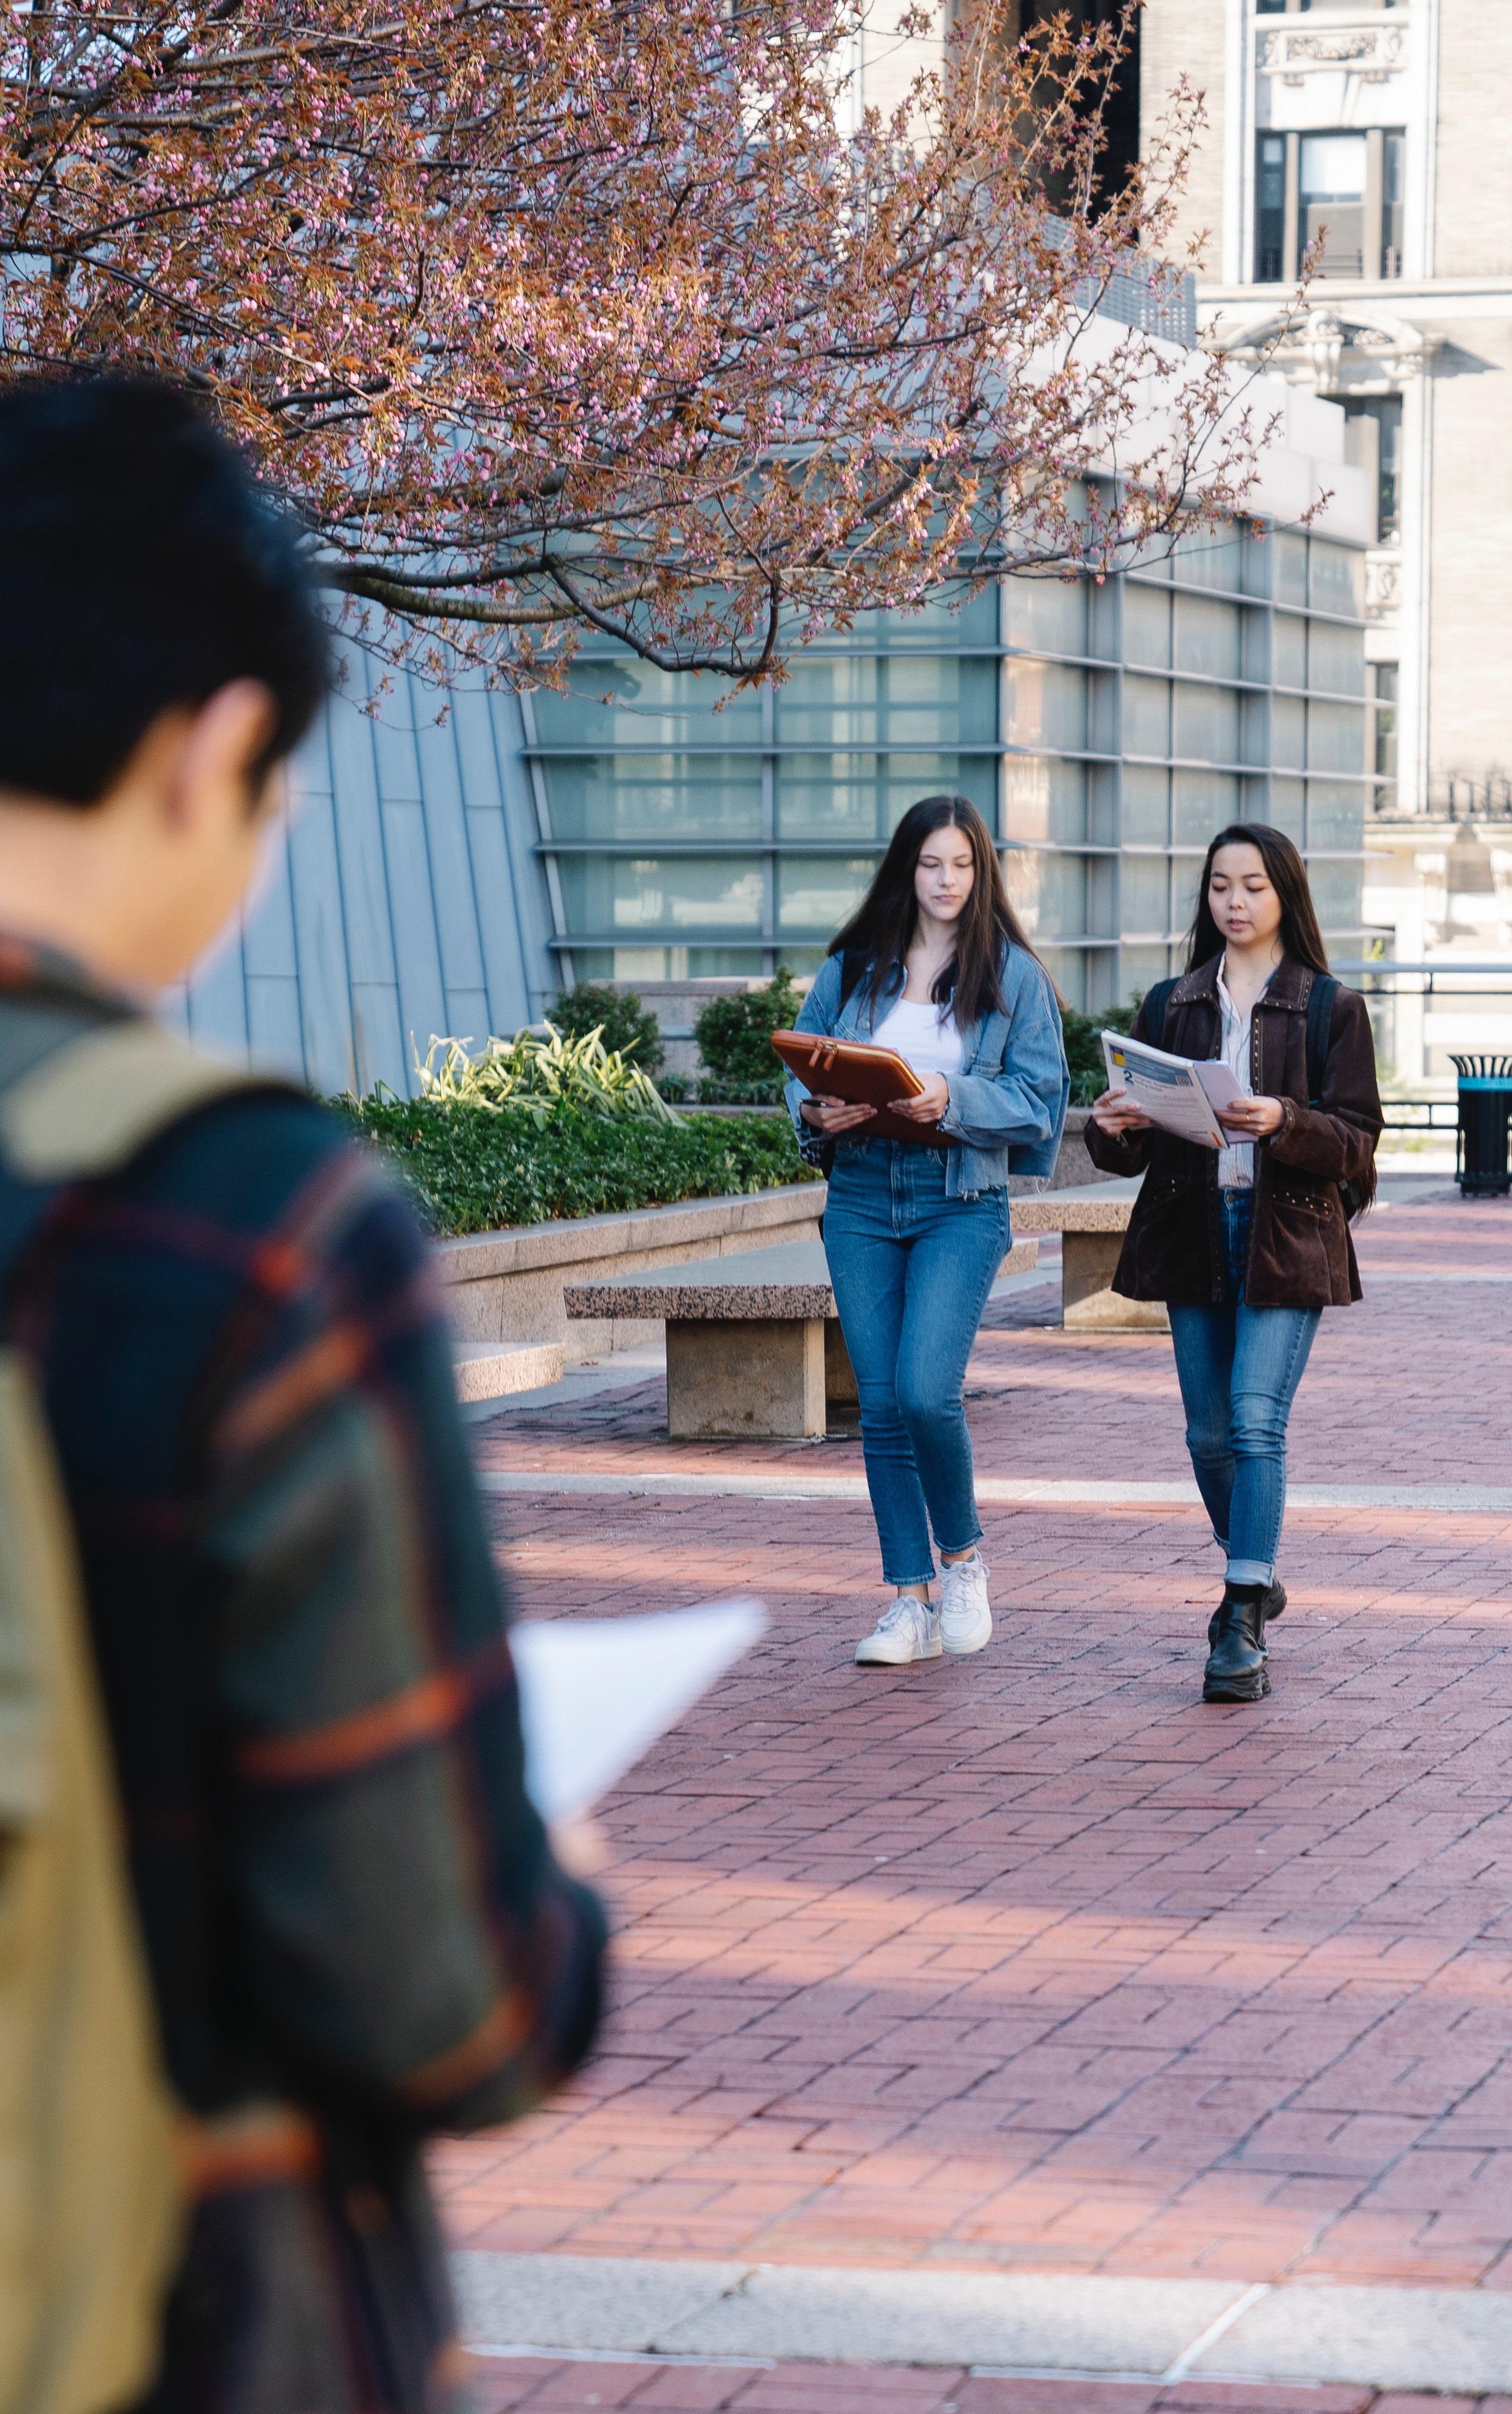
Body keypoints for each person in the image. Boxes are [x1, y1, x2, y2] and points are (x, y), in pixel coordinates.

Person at [0, 380, 607, 2413]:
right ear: (215, 753)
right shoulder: (243, 1228)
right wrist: (559, 1899)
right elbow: (437, 1994)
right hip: (180, 2306)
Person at [1088, 823, 1382, 1705]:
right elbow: (1127, 1155)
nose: (1235, 902)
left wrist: (1281, 1121)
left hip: (1283, 1230)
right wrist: (1112, 1126)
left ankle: (1240, 1612)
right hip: (1192, 1233)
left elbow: (1358, 1142)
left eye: (1252, 885)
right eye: (1220, 886)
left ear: (1283, 892)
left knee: (1256, 1422)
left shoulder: (1329, 1005)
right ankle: (1255, 1570)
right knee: (1206, 1435)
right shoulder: (1171, 1003)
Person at [784, 795, 1068, 1668]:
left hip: (959, 1200)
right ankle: (906, 1601)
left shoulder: (1011, 974)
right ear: (904, 869)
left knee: (922, 1392)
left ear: (981, 873)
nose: (946, 881)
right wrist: (816, 1112)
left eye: (962, 865)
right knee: (878, 1406)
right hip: (863, 1195)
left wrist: (953, 1096)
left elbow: (1041, 1102)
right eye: (930, 864)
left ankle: (964, 1560)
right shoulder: (852, 966)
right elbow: (803, 1067)